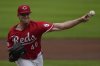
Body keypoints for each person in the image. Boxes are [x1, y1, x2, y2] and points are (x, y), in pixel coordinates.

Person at [7, 4, 93, 66]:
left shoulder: (37, 26)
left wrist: (80, 20)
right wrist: (13, 54)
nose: (26, 16)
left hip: (38, 57)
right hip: (23, 59)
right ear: (18, 15)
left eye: (27, 14)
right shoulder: (12, 33)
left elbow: (61, 26)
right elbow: (10, 49)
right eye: (23, 14)